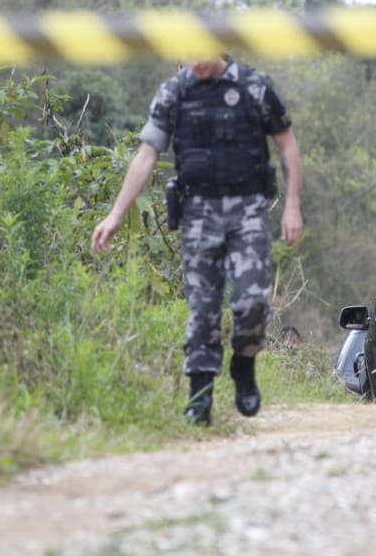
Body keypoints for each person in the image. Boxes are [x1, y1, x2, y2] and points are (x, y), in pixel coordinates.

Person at [91, 55, 303, 425]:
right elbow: (146, 155)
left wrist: (293, 207)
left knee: (252, 300)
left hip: (248, 211)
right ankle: (200, 396)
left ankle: (243, 363)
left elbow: (287, 146)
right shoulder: (175, 91)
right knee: (203, 310)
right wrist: (116, 214)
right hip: (199, 214)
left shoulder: (254, 86)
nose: (194, 63)